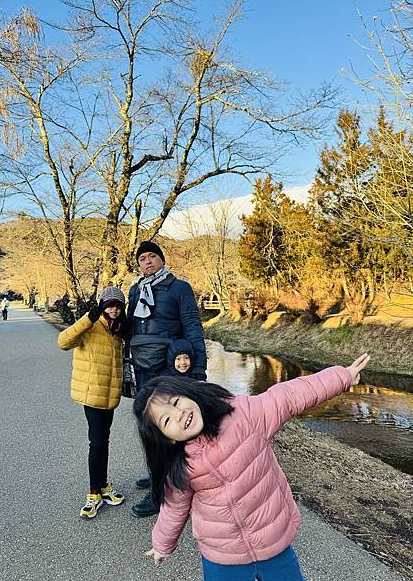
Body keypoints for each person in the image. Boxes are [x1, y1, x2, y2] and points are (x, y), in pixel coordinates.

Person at [133, 353, 371, 580]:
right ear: (166, 438)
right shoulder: (180, 464)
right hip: (222, 555)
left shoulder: (245, 415)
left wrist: (342, 377)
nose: (178, 415)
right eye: (166, 420)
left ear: (189, 393)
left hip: (272, 541)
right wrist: (162, 545)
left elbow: (290, 395)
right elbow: (174, 508)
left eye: (176, 402)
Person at [128, 240, 207, 517]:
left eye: (152, 256)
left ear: (162, 259)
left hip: (170, 368)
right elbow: (130, 329)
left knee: (169, 427)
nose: (148, 261)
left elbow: (192, 326)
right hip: (142, 366)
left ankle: (163, 489)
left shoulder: (179, 288)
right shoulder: (136, 290)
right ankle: (157, 473)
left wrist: (198, 369)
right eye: (142, 259)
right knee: (148, 425)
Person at [58, 286, 129, 519]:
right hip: (92, 395)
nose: (114, 309)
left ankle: (103, 486)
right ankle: (93, 493)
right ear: (101, 305)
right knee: (97, 443)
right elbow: (63, 341)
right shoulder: (91, 325)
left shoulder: (118, 329)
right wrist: (89, 316)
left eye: (118, 305)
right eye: (109, 304)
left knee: (103, 441)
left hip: (109, 397)